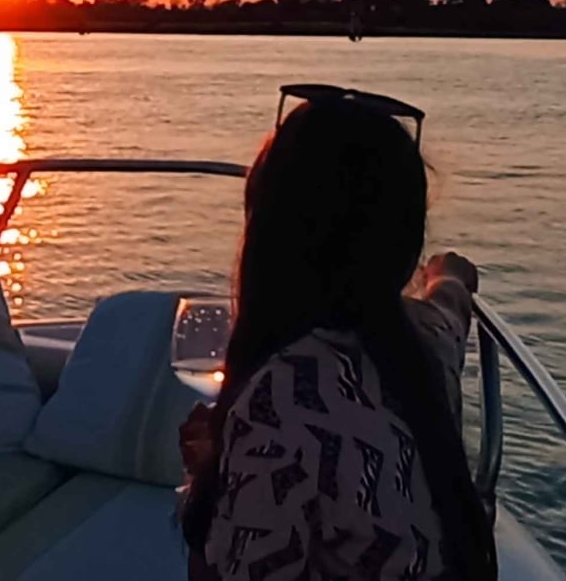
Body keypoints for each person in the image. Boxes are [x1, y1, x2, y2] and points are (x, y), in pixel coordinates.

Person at [179, 94, 497, 581]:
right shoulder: (424, 343)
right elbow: (451, 308)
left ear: (268, 234)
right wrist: (450, 276)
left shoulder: (282, 398)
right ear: (404, 241)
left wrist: (213, 475)